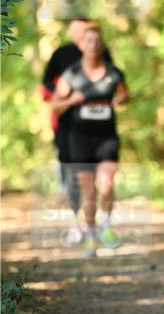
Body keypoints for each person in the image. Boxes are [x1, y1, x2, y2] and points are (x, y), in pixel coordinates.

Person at [51, 25, 128, 258]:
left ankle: (105, 225)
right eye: (88, 40)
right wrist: (72, 99)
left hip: (106, 137)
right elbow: (54, 104)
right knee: (89, 192)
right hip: (80, 139)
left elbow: (124, 94)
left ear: (101, 44)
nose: (93, 44)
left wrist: (121, 99)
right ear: (81, 45)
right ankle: (91, 234)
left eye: (97, 40)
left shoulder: (114, 72)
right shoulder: (71, 74)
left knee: (106, 185)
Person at [41, 15, 113, 244]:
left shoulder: (103, 53)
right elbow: (46, 86)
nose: (81, 35)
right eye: (75, 31)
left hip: (100, 128)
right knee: (72, 174)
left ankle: (99, 224)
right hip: (67, 126)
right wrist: (69, 98)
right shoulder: (61, 54)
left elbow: (114, 82)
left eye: (85, 31)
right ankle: (75, 222)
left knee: (102, 176)